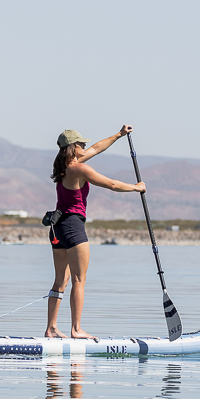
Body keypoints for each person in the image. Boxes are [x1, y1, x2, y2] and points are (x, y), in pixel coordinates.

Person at [46, 126, 145, 339]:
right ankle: (76, 329)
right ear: (72, 148)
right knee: (79, 280)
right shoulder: (79, 169)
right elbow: (111, 184)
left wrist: (119, 135)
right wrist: (136, 188)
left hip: (58, 226)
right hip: (73, 225)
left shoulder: (65, 166)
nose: (85, 146)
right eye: (80, 144)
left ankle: (51, 328)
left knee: (59, 282)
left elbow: (97, 148)